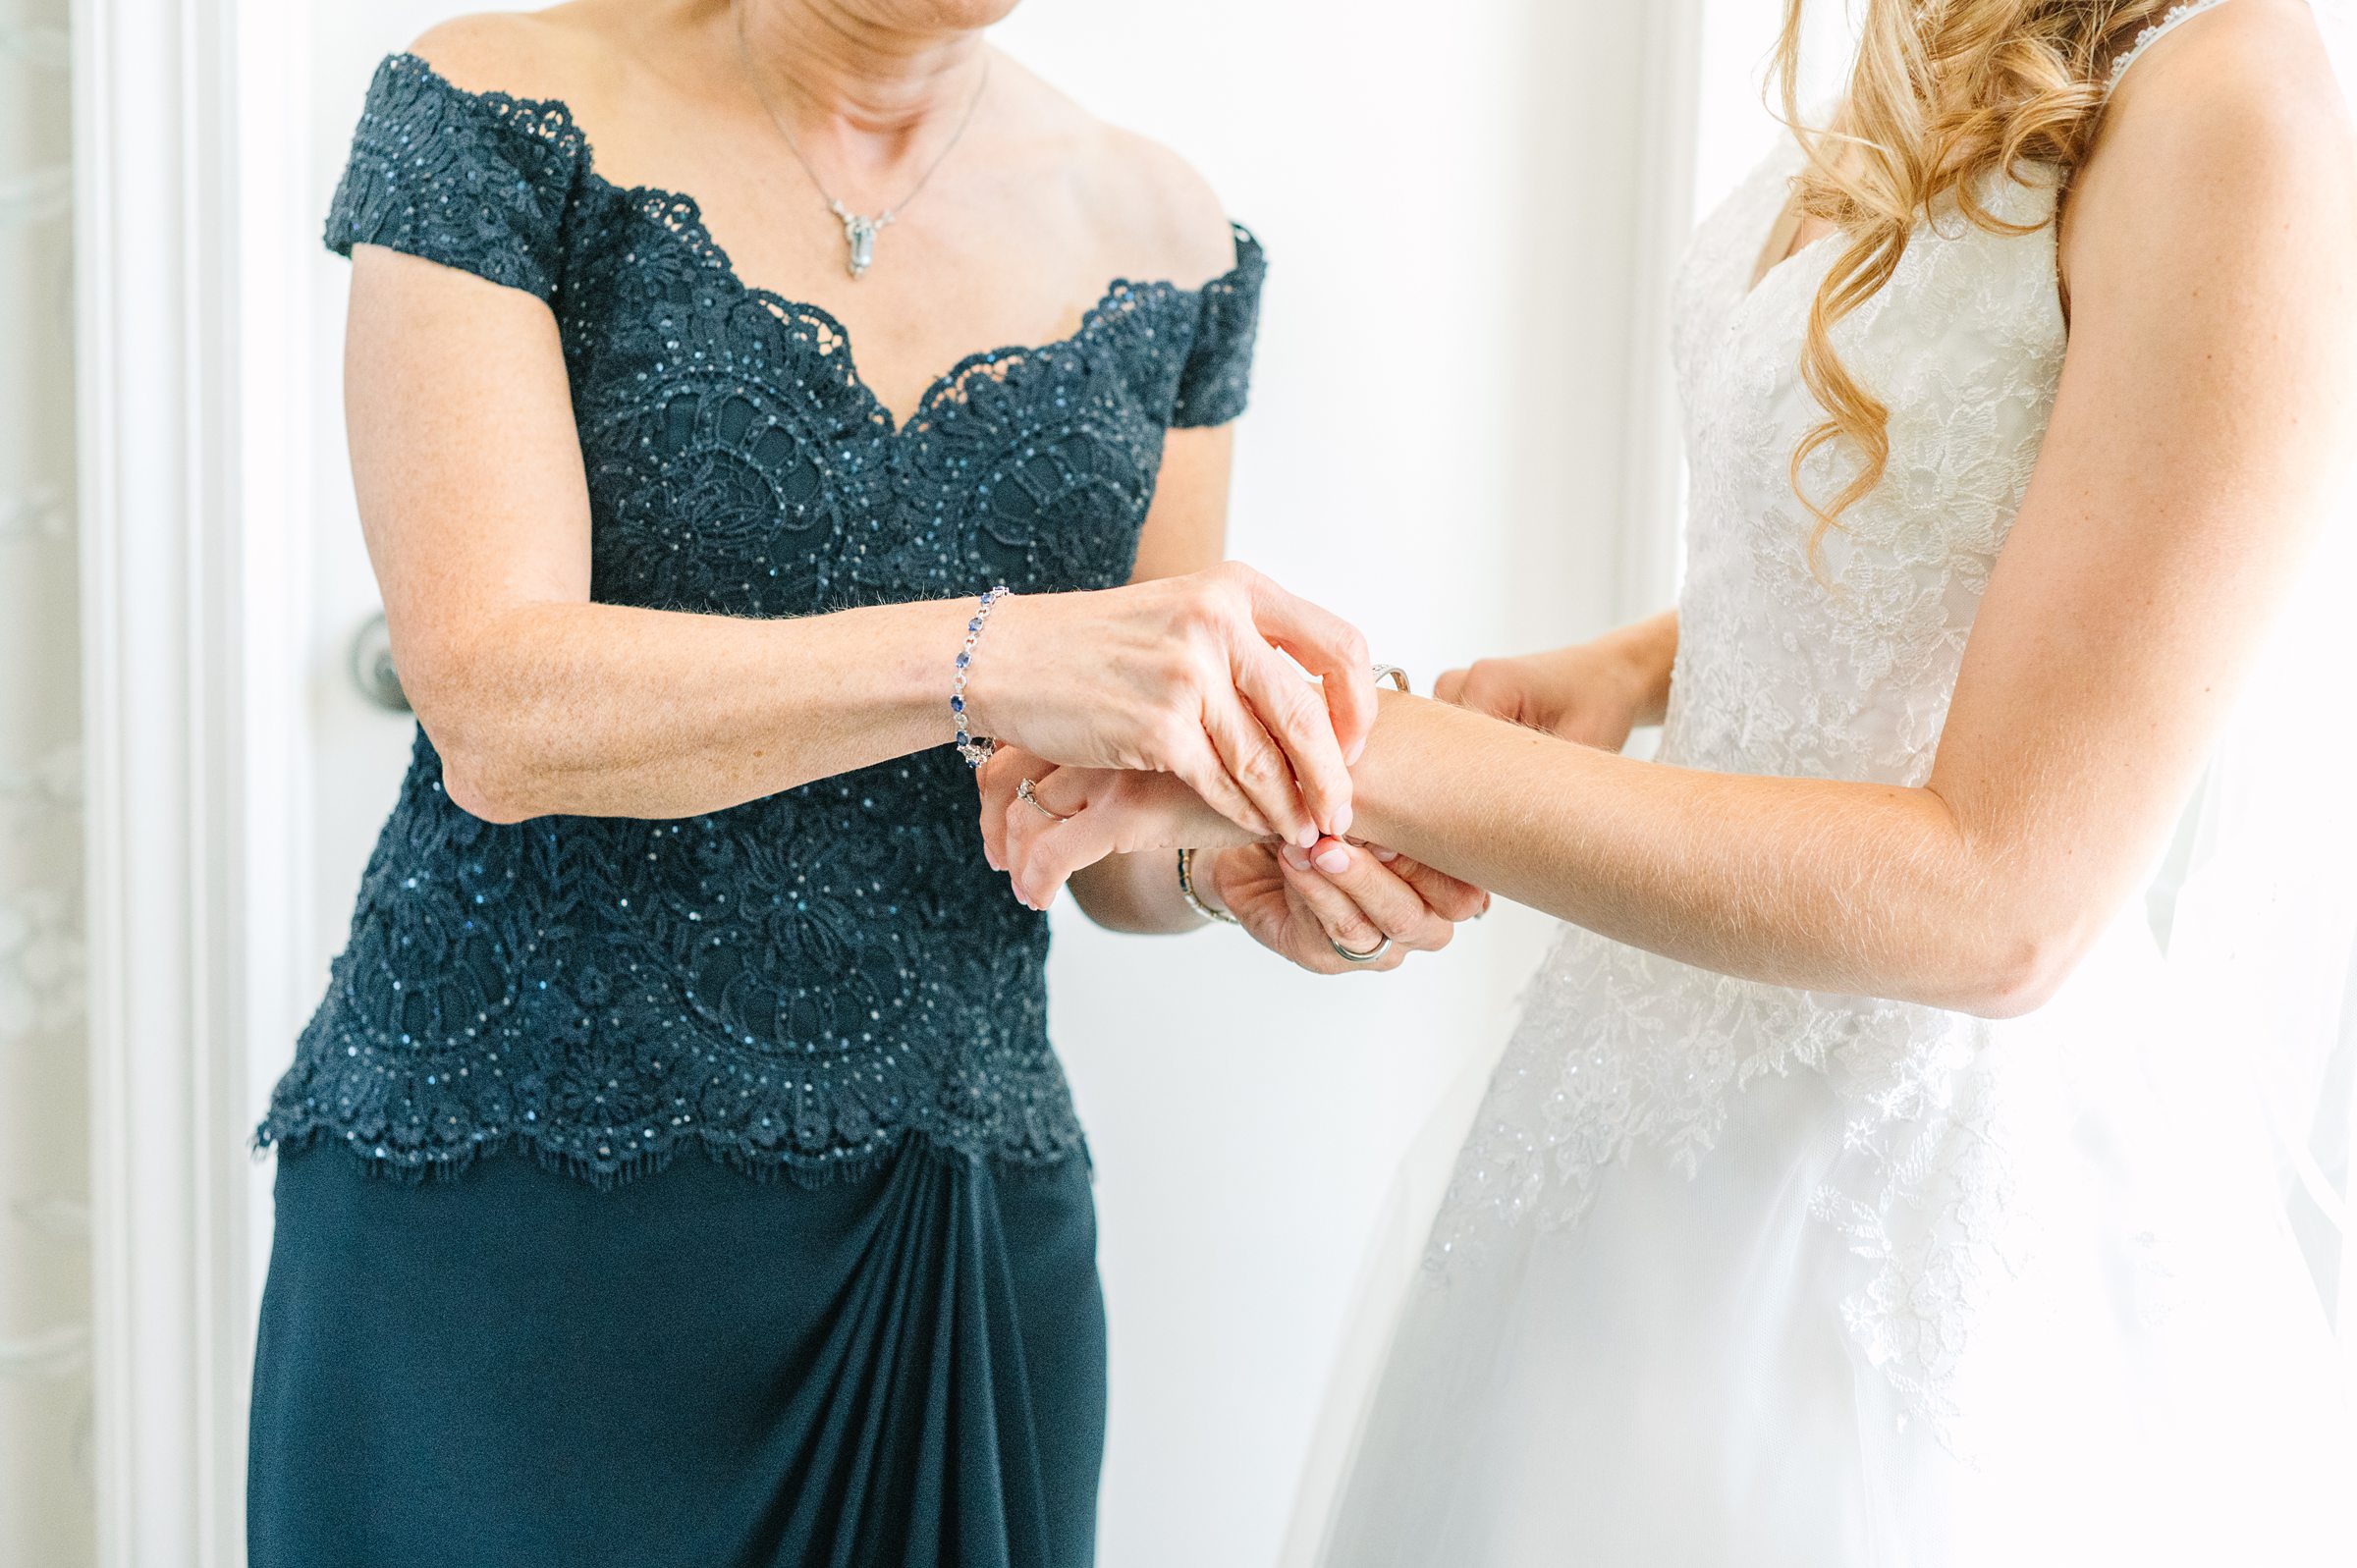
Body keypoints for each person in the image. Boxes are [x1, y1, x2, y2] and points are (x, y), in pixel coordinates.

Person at [982, 0, 2357, 1559]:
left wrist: (1329, 742)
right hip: (1630, 1129)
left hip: (1911, 1232)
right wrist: (1648, 663)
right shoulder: (1955, 23)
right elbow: (1991, 521)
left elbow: (2003, 900)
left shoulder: (2237, 103)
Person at [245, 3, 1478, 1564]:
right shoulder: (492, 111)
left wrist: (1222, 871)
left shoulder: (1170, 241)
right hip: (502, 1229)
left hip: (940, 1234)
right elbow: (497, 704)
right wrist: (988, 653)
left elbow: (1104, 846)